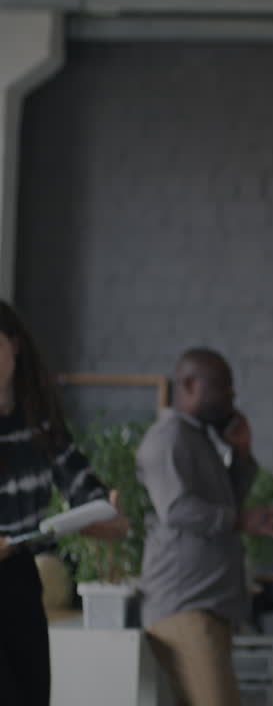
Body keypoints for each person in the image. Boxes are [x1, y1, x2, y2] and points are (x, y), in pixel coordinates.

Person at [137, 348, 273, 706]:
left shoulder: (199, 437)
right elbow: (176, 509)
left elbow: (226, 506)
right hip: (185, 606)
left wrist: (242, 455)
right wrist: (240, 520)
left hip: (207, 605)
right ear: (189, 385)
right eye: (223, 387)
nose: (232, 396)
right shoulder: (168, 438)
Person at [0, 300, 129, 705]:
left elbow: (86, 490)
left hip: (19, 579)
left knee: (32, 695)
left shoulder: (39, 420)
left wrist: (106, 516)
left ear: (14, 346)